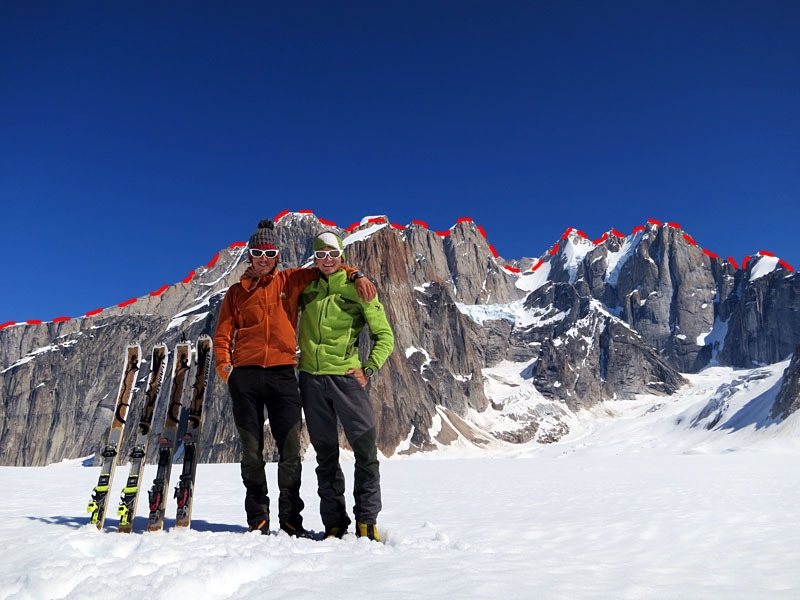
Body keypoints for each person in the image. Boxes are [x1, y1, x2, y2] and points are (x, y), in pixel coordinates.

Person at [213, 219, 375, 537]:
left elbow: (328, 266)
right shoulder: (235, 293)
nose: (263, 257)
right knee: (251, 452)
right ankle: (257, 517)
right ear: (249, 255)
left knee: (289, 453)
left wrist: (357, 273)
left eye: (269, 251)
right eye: (257, 251)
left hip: (283, 375)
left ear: (278, 255)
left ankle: (290, 518)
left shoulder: (291, 280)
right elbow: (222, 334)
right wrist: (225, 369)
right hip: (244, 378)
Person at [298, 231, 395, 541]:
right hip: (311, 381)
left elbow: (385, 336)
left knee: (365, 451)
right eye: (321, 255)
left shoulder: (359, 289)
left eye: (332, 254)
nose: (327, 260)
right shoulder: (307, 287)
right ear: (314, 258)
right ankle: (334, 524)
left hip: (346, 380)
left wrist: (368, 367)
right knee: (325, 456)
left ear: (341, 255)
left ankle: (367, 522)